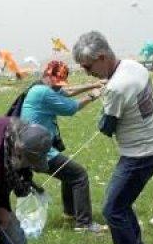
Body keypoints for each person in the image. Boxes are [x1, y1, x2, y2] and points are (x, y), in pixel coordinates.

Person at [72, 31, 153, 244]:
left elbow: (106, 127)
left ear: (102, 57)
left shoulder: (116, 87)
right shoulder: (133, 66)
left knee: (112, 209)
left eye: (87, 66)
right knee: (122, 203)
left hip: (140, 155)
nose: (87, 72)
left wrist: (104, 106)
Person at [14, 60, 104, 232]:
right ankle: (84, 224)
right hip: (38, 151)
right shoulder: (43, 93)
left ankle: (70, 214)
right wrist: (93, 95)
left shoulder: (40, 87)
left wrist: (94, 83)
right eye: (56, 83)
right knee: (79, 175)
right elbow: (71, 108)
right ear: (47, 76)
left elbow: (67, 91)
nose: (58, 87)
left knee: (69, 174)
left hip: (31, 146)